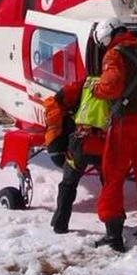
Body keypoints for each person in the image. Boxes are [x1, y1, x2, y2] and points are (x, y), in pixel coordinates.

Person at [89, 17, 137, 252]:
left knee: (112, 175)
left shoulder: (114, 54)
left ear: (107, 37)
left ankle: (113, 233)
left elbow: (111, 86)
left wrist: (96, 88)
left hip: (125, 124)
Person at [47, 76, 108, 234]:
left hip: (81, 140)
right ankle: (113, 227)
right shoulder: (118, 84)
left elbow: (59, 99)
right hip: (104, 143)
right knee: (110, 184)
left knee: (68, 183)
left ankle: (60, 223)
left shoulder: (85, 83)